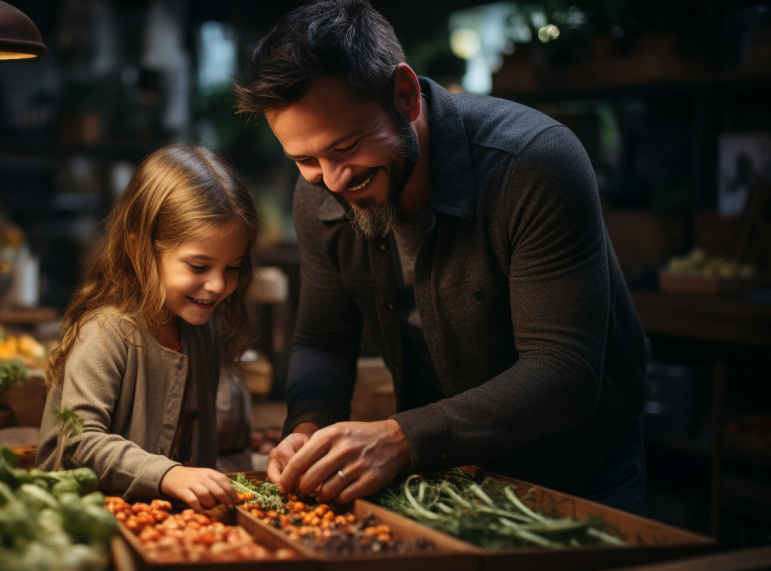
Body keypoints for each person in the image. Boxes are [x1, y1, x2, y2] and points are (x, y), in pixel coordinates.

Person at [234, 0, 652, 514]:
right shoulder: (318, 194)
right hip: (442, 474)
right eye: (305, 160)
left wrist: (399, 438)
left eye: (346, 147)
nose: (333, 181)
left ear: (405, 95)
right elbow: (324, 340)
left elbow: (563, 371)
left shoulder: (535, 163)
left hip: (578, 472)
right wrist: (307, 430)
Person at [35, 144, 258, 511]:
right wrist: (168, 474)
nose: (219, 285)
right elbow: (78, 442)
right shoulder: (106, 332)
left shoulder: (204, 332)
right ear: (141, 250)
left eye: (232, 267)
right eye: (199, 267)